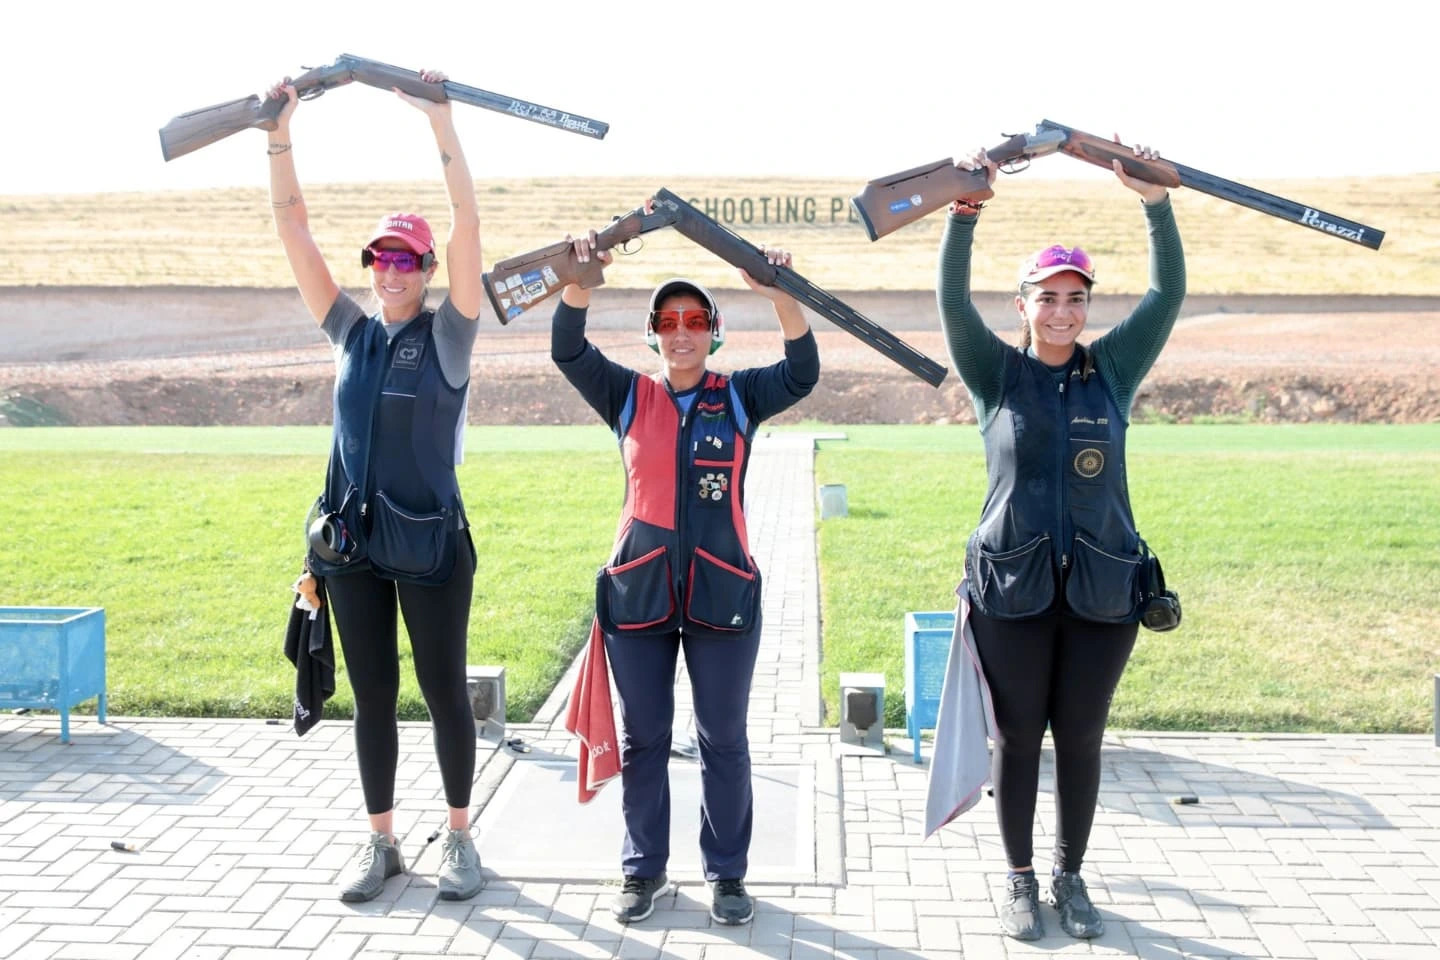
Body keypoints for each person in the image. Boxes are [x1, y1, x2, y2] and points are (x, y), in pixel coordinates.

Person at [936, 142, 1185, 941]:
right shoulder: (995, 375)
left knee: (1080, 738)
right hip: (1011, 591)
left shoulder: (1112, 371)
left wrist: (1155, 203)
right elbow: (952, 304)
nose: (1062, 312)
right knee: (1016, 739)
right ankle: (1018, 880)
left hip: (1105, 592)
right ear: (1024, 305)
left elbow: (1167, 294)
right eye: (1047, 297)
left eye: (1076, 298)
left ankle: (1069, 878)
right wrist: (964, 214)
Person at [551, 222, 820, 926]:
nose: (681, 332)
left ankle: (727, 875)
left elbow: (802, 372)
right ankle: (642, 870)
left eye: (694, 321)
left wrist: (780, 293)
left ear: (714, 332)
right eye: (668, 322)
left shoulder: (740, 396)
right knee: (644, 739)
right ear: (652, 334)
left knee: (723, 739)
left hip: (722, 594)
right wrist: (581, 278)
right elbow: (568, 349)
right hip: (638, 595)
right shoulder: (627, 396)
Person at [263, 69, 485, 903]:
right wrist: (279, 134)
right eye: (379, 257)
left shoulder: (452, 333)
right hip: (351, 549)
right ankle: (381, 843)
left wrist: (440, 122)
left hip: (430, 547)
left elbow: (467, 222)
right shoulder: (348, 330)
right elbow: (292, 227)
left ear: (425, 269)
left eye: (404, 259)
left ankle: (459, 839)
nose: (389, 270)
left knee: (443, 691)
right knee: (374, 698)